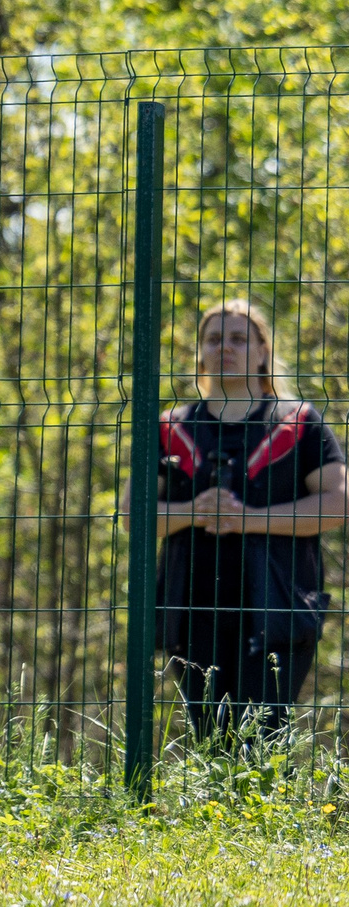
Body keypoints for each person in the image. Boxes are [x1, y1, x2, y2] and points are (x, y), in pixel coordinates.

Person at [155, 298, 346, 741]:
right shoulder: (170, 426)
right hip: (190, 606)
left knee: (264, 739)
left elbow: (337, 504)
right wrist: (193, 512)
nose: (226, 348)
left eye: (239, 338)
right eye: (214, 339)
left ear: (262, 350)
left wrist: (247, 519)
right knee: (211, 739)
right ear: (199, 351)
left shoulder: (299, 421)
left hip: (279, 604)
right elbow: (133, 515)